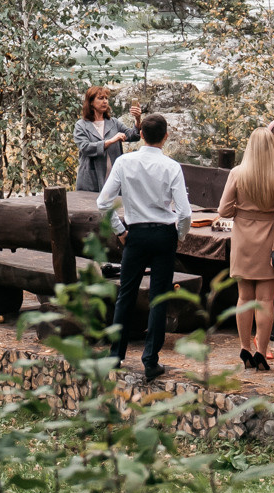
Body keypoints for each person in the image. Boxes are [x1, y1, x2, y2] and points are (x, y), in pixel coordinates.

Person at [98, 113, 193, 383]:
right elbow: (184, 212)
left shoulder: (124, 162)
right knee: (158, 298)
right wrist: (180, 235)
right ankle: (150, 360)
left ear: (141, 135)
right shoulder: (172, 166)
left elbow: (103, 203)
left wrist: (120, 231)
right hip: (164, 234)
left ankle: (116, 355)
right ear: (166, 137)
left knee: (125, 295)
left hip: (136, 234)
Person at [218, 123, 274, 373]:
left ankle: (245, 347)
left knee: (244, 298)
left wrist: (244, 212)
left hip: (243, 239)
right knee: (266, 300)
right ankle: (261, 351)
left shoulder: (237, 173)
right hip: (270, 238)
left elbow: (223, 211)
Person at [73, 87, 130, 192]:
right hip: (91, 180)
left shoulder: (113, 122)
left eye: (106, 98)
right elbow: (85, 148)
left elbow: (133, 135)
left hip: (113, 177)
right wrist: (110, 141)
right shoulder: (81, 125)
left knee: (116, 206)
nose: (105, 101)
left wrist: (138, 120)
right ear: (91, 102)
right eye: (100, 98)